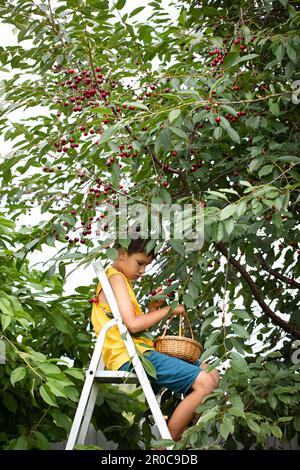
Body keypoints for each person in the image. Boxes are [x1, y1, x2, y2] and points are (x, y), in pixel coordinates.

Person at [91, 237, 220, 442]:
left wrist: (153, 309)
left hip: (140, 351)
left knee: (212, 373)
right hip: (132, 357)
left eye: (146, 266)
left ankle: (184, 434)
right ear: (121, 253)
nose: (142, 271)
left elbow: (133, 328)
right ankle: (166, 447)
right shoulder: (115, 278)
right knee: (204, 383)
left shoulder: (121, 280)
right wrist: (169, 310)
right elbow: (133, 324)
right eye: (140, 263)